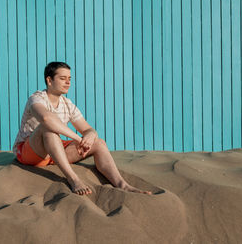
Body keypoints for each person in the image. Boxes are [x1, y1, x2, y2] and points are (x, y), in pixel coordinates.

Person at [12, 62, 151, 196]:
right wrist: (79, 139)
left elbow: (88, 129)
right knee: (47, 128)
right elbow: (46, 119)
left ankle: (122, 185)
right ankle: (74, 180)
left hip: (53, 153)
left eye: (69, 79)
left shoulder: (68, 104)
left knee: (99, 143)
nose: (68, 82)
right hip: (29, 153)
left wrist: (90, 135)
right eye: (62, 78)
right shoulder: (36, 99)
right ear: (49, 80)